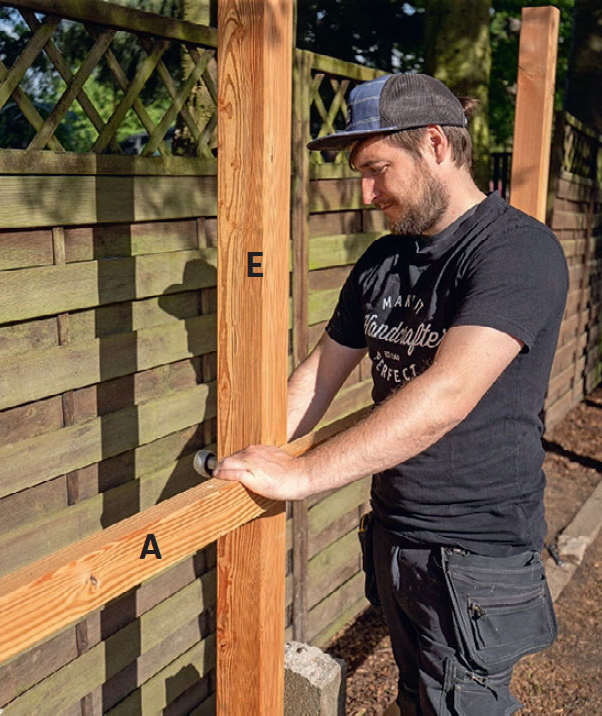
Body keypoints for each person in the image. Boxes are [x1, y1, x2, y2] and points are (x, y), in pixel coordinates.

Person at [212, 73, 569, 715]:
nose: (367, 193)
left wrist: (301, 476)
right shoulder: (383, 260)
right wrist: (255, 452)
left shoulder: (517, 251)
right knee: (416, 698)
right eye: (361, 174)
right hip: (394, 530)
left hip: (474, 551)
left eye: (377, 170)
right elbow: (321, 373)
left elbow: (448, 394)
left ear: (435, 144)